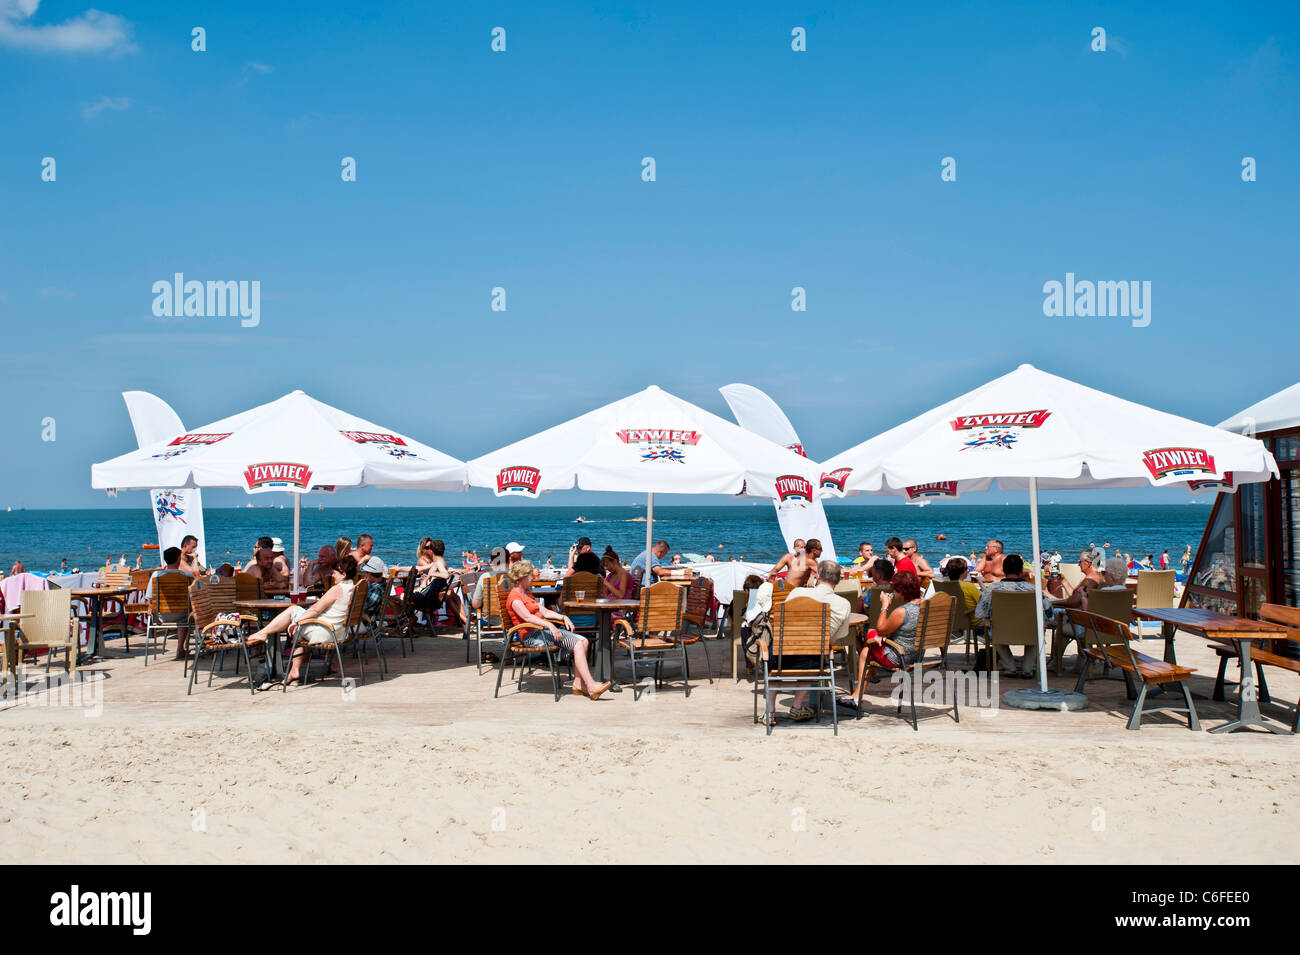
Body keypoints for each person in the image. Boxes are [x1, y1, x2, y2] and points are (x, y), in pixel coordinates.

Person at [503, 560, 609, 700]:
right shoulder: (515, 598)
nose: (533, 577)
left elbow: (545, 612)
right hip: (531, 637)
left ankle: (578, 684)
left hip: (541, 631)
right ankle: (591, 685)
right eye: (530, 575)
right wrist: (550, 625)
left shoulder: (527, 594)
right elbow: (527, 617)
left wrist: (562, 617)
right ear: (522, 577)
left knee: (583, 641)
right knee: (577, 644)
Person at [247, 554, 359, 685]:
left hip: (325, 631)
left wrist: (297, 621)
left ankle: (264, 633)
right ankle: (294, 670)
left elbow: (315, 609)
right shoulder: (354, 587)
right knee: (300, 633)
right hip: (340, 631)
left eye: (335, 572)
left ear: (344, 574)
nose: (332, 574)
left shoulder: (337, 589)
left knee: (292, 610)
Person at [775, 561, 851, 722]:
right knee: (816, 648)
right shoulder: (843, 604)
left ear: (818, 576)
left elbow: (781, 623)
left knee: (775, 652)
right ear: (838, 581)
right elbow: (833, 640)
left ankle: (769, 711)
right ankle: (796, 706)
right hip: (812, 662)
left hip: (780, 658)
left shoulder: (797, 593)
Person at [851, 569, 925, 703]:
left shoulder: (902, 611)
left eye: (895, 590)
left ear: (901, 591)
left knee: (866, 649)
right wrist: (883, 635)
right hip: (917, 655)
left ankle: (857, 695)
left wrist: (884, 606)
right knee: (874, 640)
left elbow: (881, 628)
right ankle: (861, 689)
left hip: (899, 657)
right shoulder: (925, 607)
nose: (893, 592)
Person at [974, 553, 1053, 677]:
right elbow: (1050, 613)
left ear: (1003, 570)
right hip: (1029, 632)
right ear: (1021, 570)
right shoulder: (1034, 590)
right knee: (1037, 629)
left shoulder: (992, 590)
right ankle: (1027, 668)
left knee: (993, 628)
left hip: (1002, 631)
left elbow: (979, 614)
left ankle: (1009, 666)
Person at [146, 546, 194, 659]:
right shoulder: (187, 576)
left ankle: (180, 649)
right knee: (186, 614)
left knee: (184, 613)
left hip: (160, 616)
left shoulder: (156, 576)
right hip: (183, 615)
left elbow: (149, 598)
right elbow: (194, 596)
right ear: (178, 559)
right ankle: (180, 649)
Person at [412, 538, 466, 627]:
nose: (430, 549)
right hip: (429, 590)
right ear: (423, 549)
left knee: (455, 596)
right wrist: (451, 571)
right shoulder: (422, 561)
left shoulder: (435, 560)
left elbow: (442, 571)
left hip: (434, 588)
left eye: (431, 547)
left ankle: (463, 621)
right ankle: (464, 621)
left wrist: (455, 570)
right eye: (428, 547)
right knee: (449, 595)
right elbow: (436, 572)